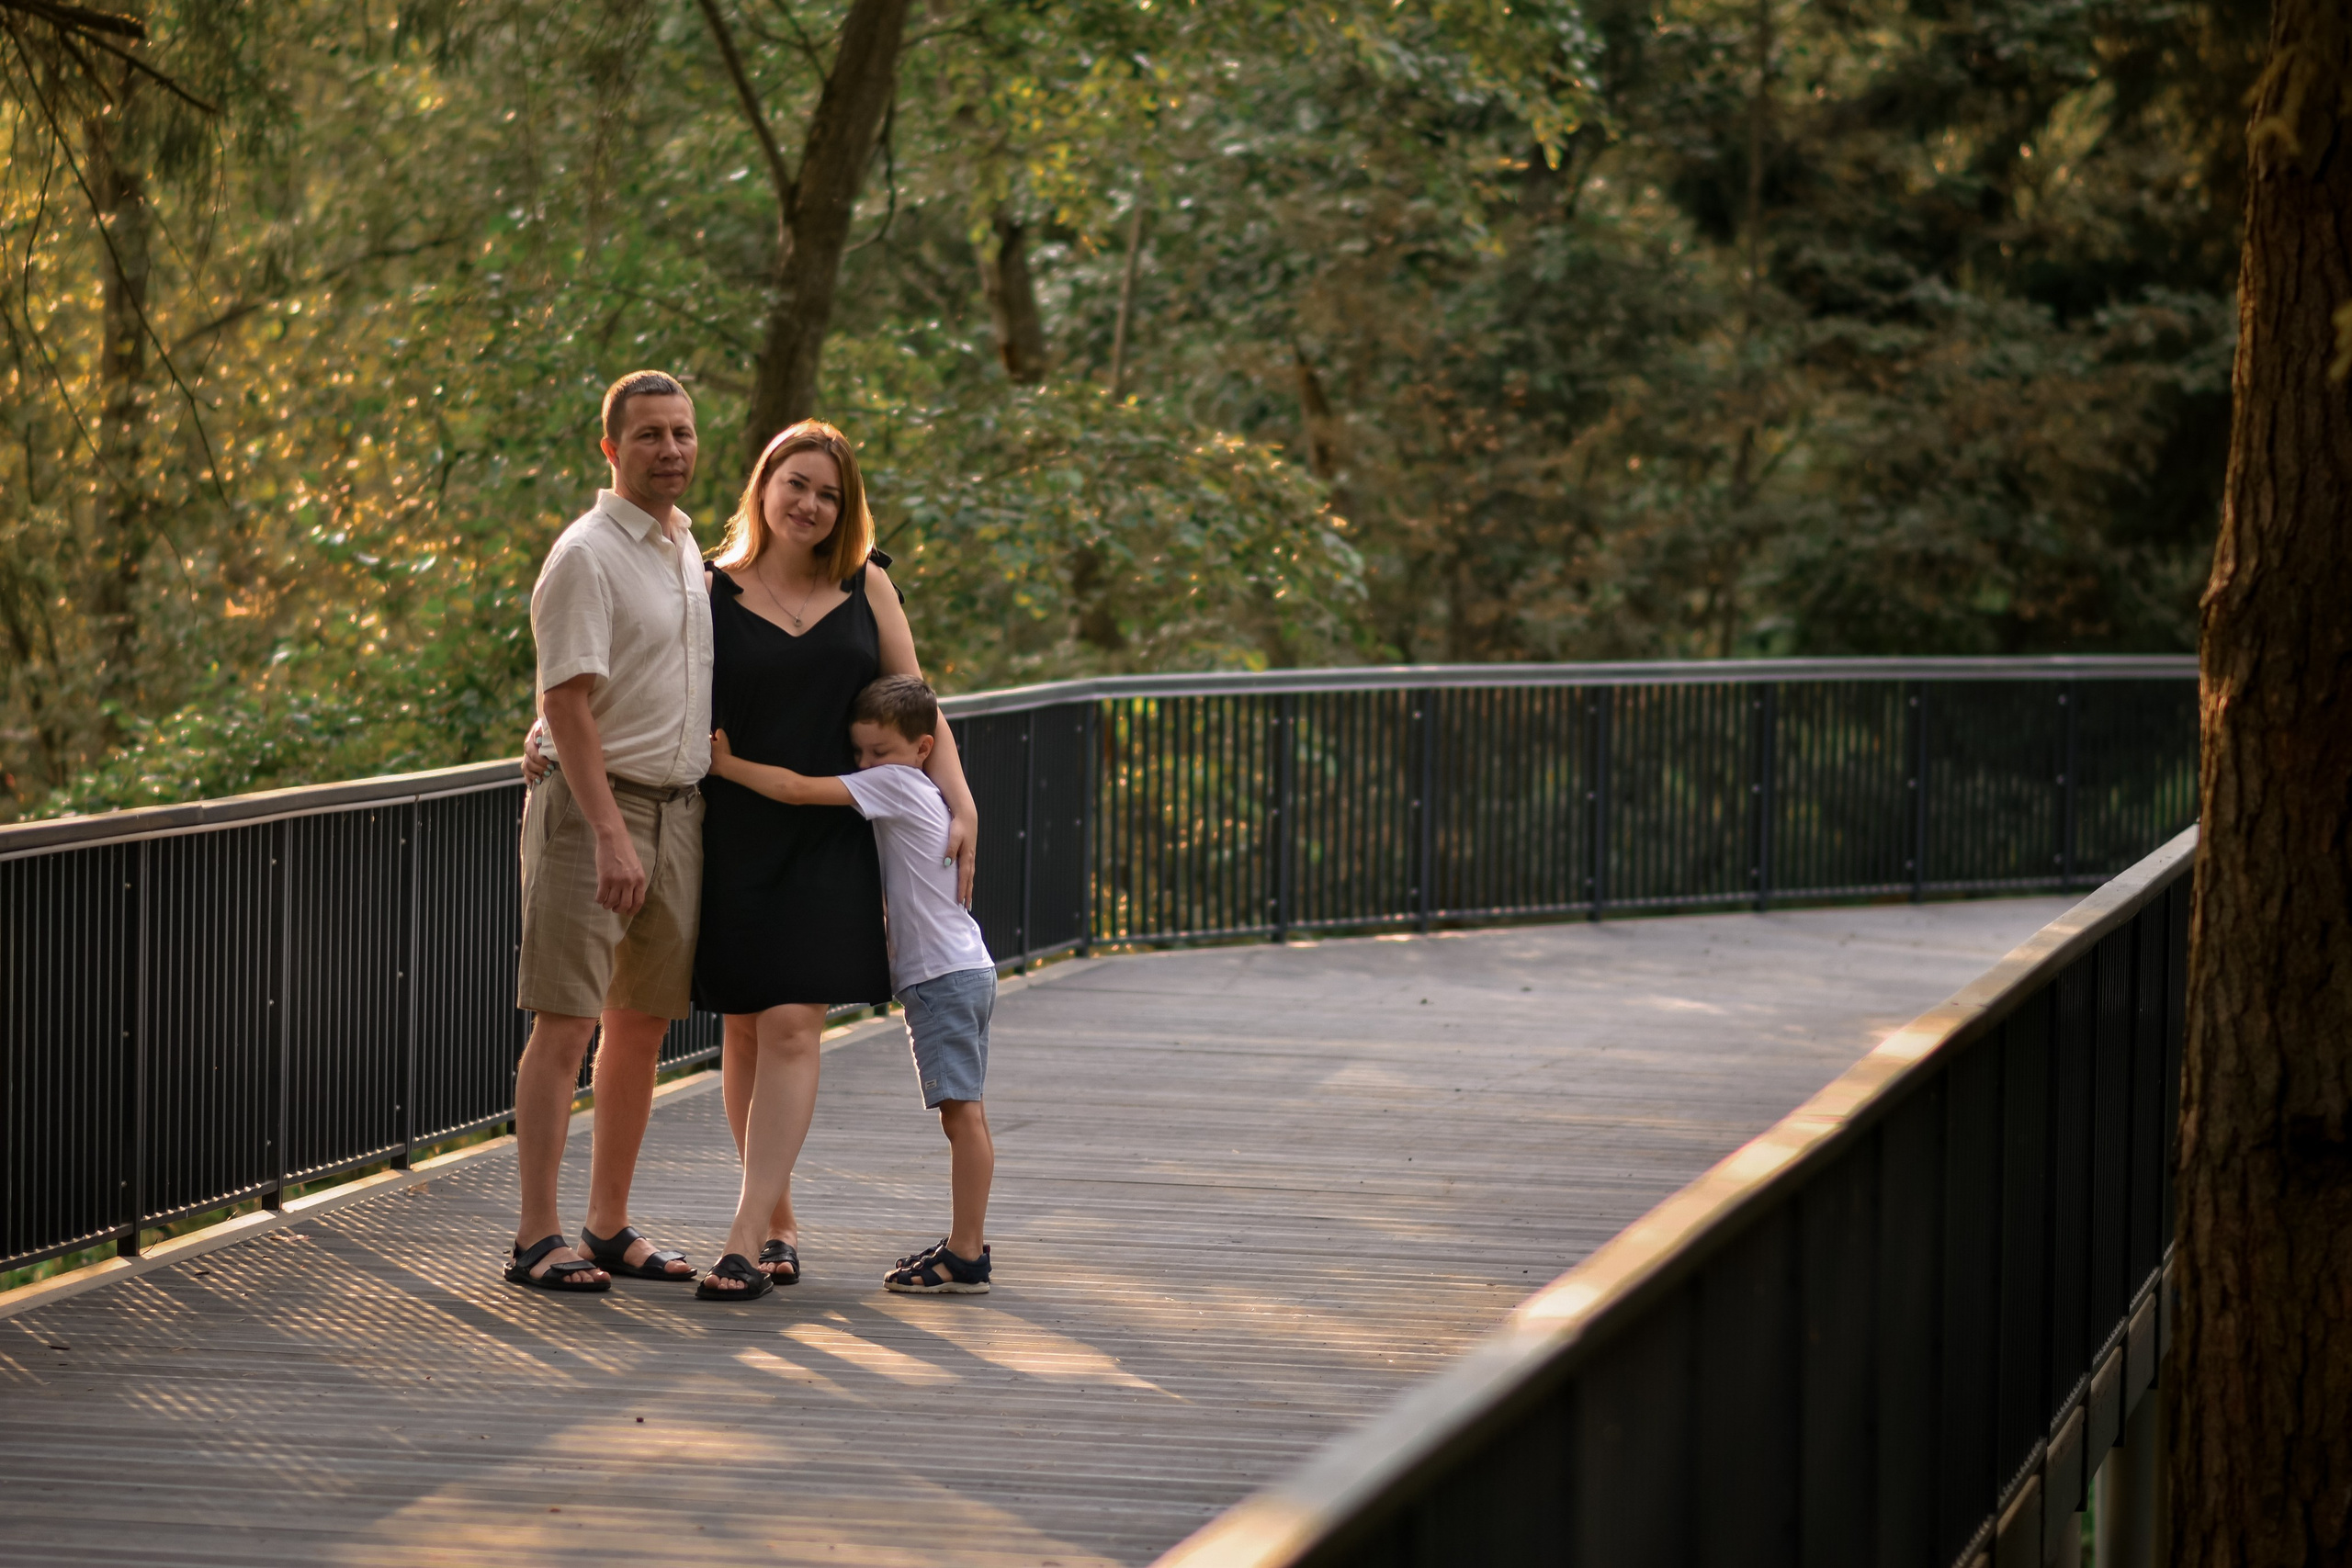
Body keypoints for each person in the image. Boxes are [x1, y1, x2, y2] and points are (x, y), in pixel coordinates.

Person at [687, 421, 979, 1300]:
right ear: (763, 487)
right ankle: (777, 1221)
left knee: (790, 1025)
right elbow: (636, 679)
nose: (811, 505)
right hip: (734, 829)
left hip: (832, 830)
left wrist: (961, 801)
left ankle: (742, 1237)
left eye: (829, 494)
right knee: (744, 1025)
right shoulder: (706, 586)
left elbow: (919, 702)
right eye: (797, 485)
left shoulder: (867, 583)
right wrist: (551, 725)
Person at [505, 369, 711, 1293]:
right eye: (649, 436)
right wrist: (608, 833)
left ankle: (605, 1225)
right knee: (567, 1024)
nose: (670, 451)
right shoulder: (586, 553)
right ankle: (535, 1238)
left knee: (641, 1027)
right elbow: (566, 699)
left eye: (682, 433)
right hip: (600, 813)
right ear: (610, 449)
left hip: (679, 809)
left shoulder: (684, 544)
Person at [708, 673, 996, 1294]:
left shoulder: (897, 784)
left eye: (879, 751)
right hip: (960, 967)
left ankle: (968, 1251)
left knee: (962, 1114)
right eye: (859, 752)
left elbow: (793, 789)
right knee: (963, 1111)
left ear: (923, 748)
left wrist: (725, 764)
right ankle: (965, 1244)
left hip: (944, 975)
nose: (866, 764)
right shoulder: (923, 787)